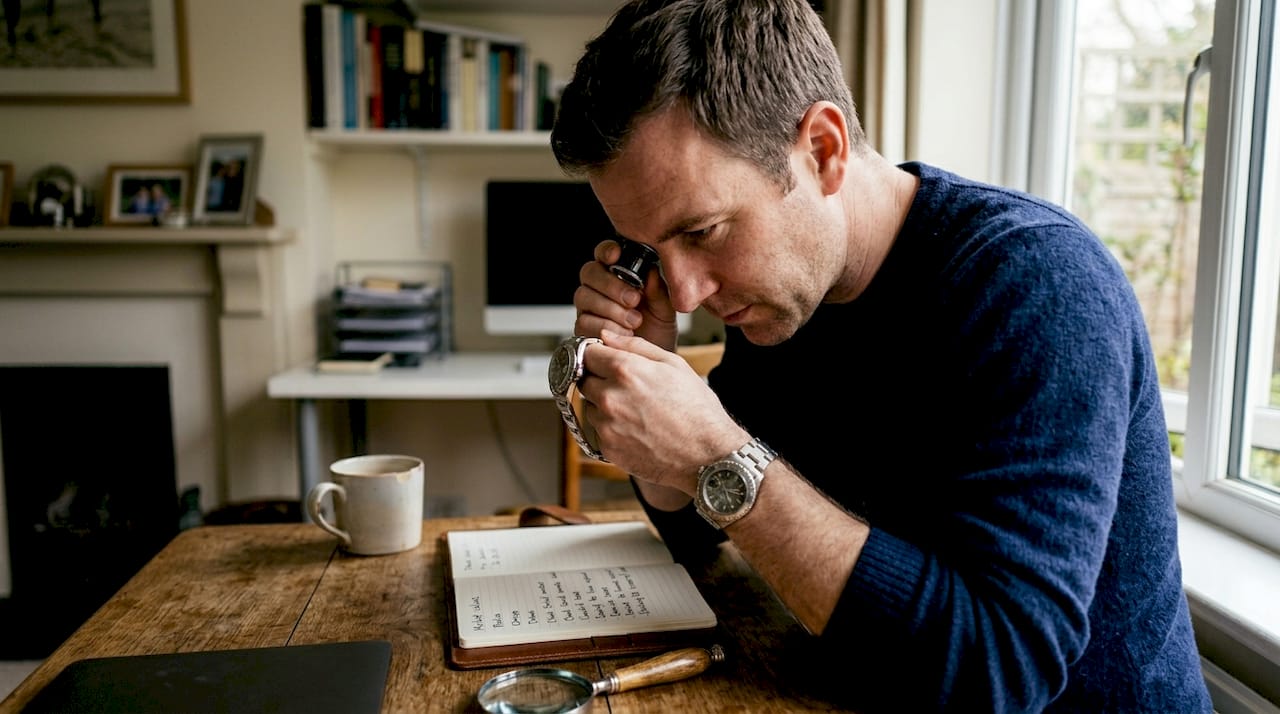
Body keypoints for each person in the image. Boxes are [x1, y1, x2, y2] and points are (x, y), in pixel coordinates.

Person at [549, 1, 1212, 712]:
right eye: (653, 249)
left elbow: (999, 672)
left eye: (704, 231)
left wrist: (715, 453)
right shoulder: (782, 295)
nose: (685, 293)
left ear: (823, 149)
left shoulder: (1037, 285)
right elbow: (698, 521)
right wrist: (658, 377)